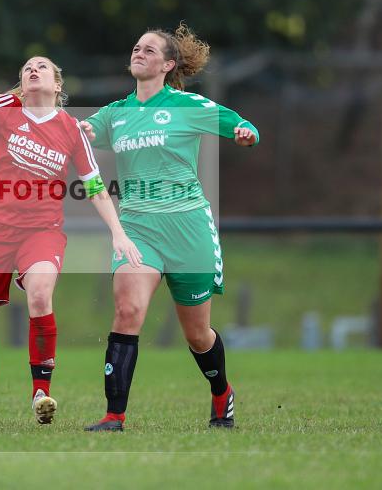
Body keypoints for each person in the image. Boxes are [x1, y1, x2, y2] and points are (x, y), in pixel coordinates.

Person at [0, 56, 142, 424]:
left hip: (42, 231)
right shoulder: (5, 110)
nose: (33, 70)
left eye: (43, 67)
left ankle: (41, 394)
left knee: (39, 294)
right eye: (27, 68)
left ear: (58, 85)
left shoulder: (70, 129)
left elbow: (95, 188)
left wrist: (118, 232)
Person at [80, 23, 259, 432]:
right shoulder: (115, 113)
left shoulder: (187, 105)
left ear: (168, 63)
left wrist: (246, 134)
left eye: (148, 49)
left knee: (197, 335)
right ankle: (114, 416)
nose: (138, 53)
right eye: (136, 47)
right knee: (128, 310)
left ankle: (221, 394)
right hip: (139, 229)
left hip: (189, 230)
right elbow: (82, 134)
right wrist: (73, 128)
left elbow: (242, 126)